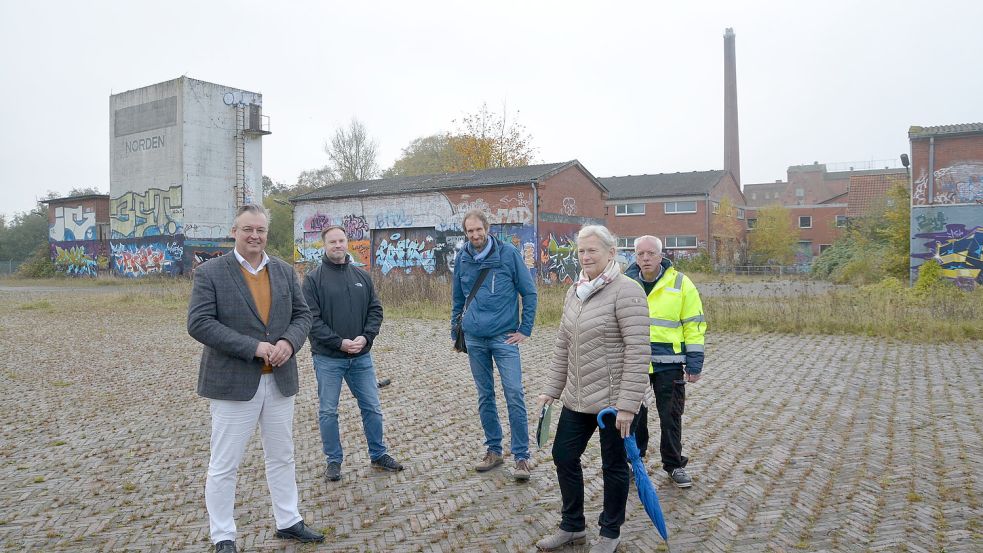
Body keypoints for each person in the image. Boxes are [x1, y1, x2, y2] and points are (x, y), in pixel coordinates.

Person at [188, 204, 323, 553]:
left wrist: (288, 344)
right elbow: (200, 323)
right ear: (234, 231)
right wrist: (254, 347)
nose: (255, 236)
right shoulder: (211, 272)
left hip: (279, 379)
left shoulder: (282, 270)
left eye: (260, 230)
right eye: (248, 229)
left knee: (282, 455)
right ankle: (223, 536)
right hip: (234, 383)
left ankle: (288, 520)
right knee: (224, 464)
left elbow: (302, 315)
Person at [536, 225, 650, 553]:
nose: (585, 257)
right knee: (563, 455)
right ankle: (572, 526)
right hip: (578, 396)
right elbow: (563, 345)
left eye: (592, 251)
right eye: (581, 251)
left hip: (614, 403)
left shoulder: (627, 291)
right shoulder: (575, 291)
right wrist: (551, 390)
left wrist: (629, 405)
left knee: (613, 467)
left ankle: (610, 532)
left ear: (611, 253)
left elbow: (638, 349)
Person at [302, 225, 404, 482]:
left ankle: (378, 454)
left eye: (341, 241)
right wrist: (339, 343)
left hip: (361, 357)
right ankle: (334, 461)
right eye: (332, 242)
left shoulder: (362, 276)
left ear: (347, 243)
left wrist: (365, 337)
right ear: (324, 246)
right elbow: (311, 320)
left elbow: (375, 311)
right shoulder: (313, 280)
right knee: (328, 411)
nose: (337, 245)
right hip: (328, 359)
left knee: (372, 407)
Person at [451, 209, 538, 481]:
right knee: (484, 395)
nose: (475, 235)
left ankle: (521, 457)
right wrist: (457, 332)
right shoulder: (462, 259)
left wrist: (525, 329)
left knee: (514, 393)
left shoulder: (508, 255)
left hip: (504, 337)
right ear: (465, 233)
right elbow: (457, 299)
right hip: (475, 338)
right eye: (470, 231)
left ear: (488, 229)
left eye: (479, 229)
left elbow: (530, 292)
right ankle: (494, 450)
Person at [625, 235, 707, 488]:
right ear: (635, 257)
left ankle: (674, 465)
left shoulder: (681, 283)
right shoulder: (625, 284)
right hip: (635, 363)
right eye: (641, 254)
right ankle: (633, 463)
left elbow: (694, 324)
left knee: (671, 416)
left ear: (661, 256)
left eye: (651, 253)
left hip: (669, 364)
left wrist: (694, 363)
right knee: (633, 417)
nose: (646, 258)